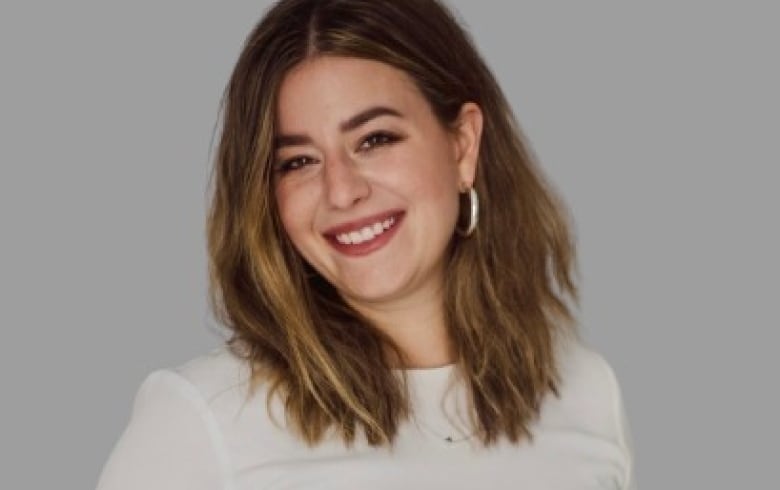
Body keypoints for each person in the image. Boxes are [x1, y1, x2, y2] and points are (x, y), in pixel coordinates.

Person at [96, 0, 636, 488]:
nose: (342, 190)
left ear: (462, 146)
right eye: (299, 161)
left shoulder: (585, 393)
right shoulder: (201, 421)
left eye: (374, 139)